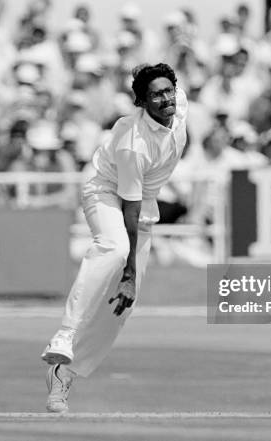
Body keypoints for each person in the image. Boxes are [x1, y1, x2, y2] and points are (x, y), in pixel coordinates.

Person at [40, 63, 188, 413]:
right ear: (141, 102)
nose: (166, 98)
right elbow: (129, 211)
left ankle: (64, 373)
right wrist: (128, 273)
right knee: (116, 248)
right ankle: (65, 332)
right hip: (105, 192)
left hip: (143, 201)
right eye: (156, 95)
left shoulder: (179, 103)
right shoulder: (133, 144)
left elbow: (141, 205)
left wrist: (130, 284)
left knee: (123, 306)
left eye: (169, 90)